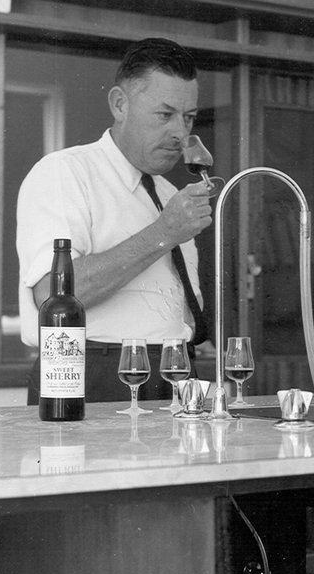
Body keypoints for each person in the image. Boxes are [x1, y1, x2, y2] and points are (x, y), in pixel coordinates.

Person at [17, 37, 213, 404]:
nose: (180, 133)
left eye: (189, 118)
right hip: (92, 372)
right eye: (165, 114)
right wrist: (164, 233)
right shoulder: (64, 173)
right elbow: (56, 296)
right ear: (120, 104)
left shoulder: (170, 194)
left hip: (176, 373)